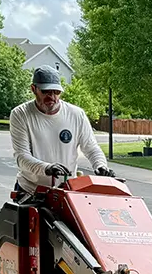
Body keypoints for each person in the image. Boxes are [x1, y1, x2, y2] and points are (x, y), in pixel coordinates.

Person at [9, 66, 112, 194]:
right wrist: (46, 168)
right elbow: (22, 156)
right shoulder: (21, 114)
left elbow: (91, 148)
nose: (51, 97)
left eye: (56, 92)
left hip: (66, 190)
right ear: (33, 89)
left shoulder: (76, 114)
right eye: (46, 92)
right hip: (31, 189)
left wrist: (100, 165)